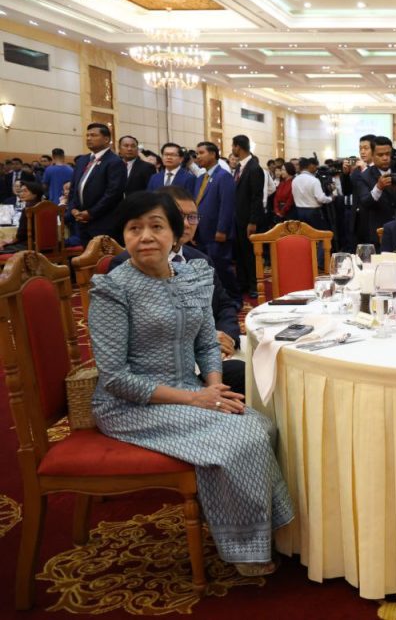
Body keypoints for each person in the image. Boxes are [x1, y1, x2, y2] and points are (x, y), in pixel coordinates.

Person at [90, 191, 293, 576]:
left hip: (193, 390)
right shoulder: (113, 289)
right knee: (241, 437)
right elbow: (115, 377)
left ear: (175, 233)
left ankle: (267, 529)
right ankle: (244, 547)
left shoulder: (192, 276)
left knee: (263, 424)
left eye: (156, 226)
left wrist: (214, 387)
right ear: (124, 236)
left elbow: (205, 342)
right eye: (134, 228)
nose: (145, 237)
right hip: (133, 404)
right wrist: (195, 398)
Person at [108, 186, 244, 394]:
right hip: (156, 375)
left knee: (256, 370)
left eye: (193, 217)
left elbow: (224, 304)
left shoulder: (199, 261)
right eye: (180, 216)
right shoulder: (125, 267)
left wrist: (226, 336)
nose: (186, 224)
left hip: (209, 355)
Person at [193, 141, 238, 304]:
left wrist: (222, 230)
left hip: (217, 233)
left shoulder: (223, 176)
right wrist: (193, 229)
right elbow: (195, 205)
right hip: (201, 232)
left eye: (201, 153)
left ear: (213, 154)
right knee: (206, 270)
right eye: (197, 153)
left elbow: (227, 205)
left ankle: (234, 299)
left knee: (222, 269)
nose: (198, 157)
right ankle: (215, 302)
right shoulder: (201, 178)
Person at [68, 122, 127, 244]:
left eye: (93, 135)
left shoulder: (114, 162)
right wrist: (73, 208)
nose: (89, 138)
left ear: (106, 139)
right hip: (82, 222)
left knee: (104, 255)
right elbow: (74, 188)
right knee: (86, 254)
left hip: (104, 222)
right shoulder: (82, 160)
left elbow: (113, 193)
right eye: (87, 135)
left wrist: (91, 213)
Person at [353, 136, 396, 249]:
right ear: (372, 155)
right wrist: (378, 187)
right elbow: (365, 201)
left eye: (388, 154)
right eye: (380, 155)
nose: (385, 158)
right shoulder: (364, 176)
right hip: (378, 233)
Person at [231, 135, 264, 300]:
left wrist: (253, 221)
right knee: (240, 252)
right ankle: (243, 282)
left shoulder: (254, 168)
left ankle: (254, 285)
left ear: (238, 147)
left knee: (250, 254)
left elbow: (257, 197)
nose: (232, 149)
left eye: (233, 146)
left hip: (248, 219)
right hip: (238, 217)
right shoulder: (239, 167)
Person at [0, 181, 45, 252]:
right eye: (21, 191)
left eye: (25, 191)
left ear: (35, 194)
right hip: (48, 245)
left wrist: (7, 242)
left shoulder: (29, 209)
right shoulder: (46, 207)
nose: (21, 194)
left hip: (29, 246)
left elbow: (21, 235)